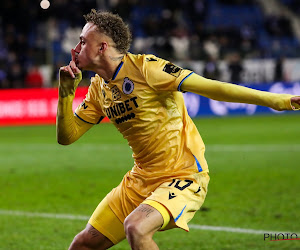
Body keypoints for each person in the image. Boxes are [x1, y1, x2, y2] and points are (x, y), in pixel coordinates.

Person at [57, 9, 300, 250]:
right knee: (83, 245)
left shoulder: (147, 69)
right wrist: (66, 93)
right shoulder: (99, 88)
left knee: (136, 227)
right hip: (140, 179)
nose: (75, 48)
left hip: (182, 175)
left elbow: (213, 87)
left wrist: (278, 101)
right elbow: (67, 137)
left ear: (102, 48)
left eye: (82, 41)